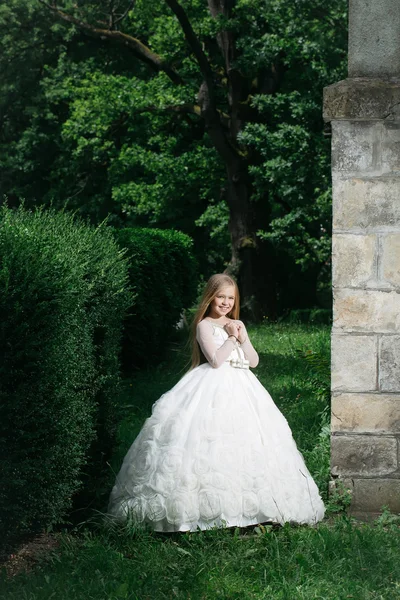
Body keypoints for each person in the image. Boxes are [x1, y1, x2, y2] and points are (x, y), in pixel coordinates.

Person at [107, 274, 325, 531]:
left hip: (243, 388)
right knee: (207, 439)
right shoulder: (204, 325)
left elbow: (253, 361)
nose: (225, 303)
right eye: (220, 297)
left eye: (231, 298)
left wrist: (242, 337)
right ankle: (202, 512)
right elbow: (215, 360)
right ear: (210, 297)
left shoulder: (237, 324)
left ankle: (256, 509)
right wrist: (231, 338)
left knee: (247, 440)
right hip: (211, 385)